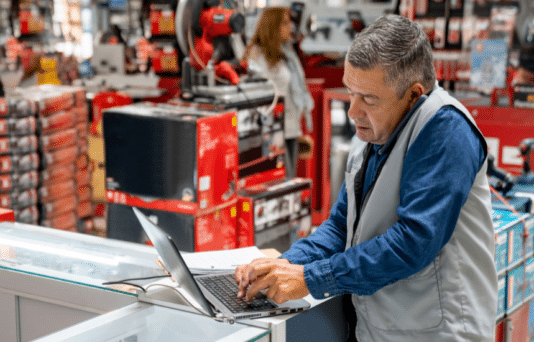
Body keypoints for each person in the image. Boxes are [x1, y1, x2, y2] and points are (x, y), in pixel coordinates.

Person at [235, 14, 497, 341]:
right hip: (380, 330)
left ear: (414, 95)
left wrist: (310, 278)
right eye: (351, 92)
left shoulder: (446, 131)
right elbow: (341, 225)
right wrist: (282, 266)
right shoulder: (375, 130)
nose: (352, 111)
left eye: (368, 99)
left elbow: (413, 243)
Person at [241, 7, 314, 179]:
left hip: (291, 128)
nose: (290, 27)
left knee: (289, 181)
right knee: (278, 182)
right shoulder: (257, 55)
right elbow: (254, 93)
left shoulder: (286, 54)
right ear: (272, 25)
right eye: (285, 22)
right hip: (271, 132)